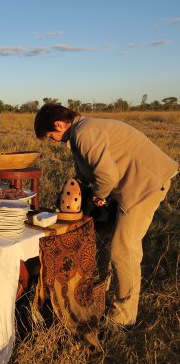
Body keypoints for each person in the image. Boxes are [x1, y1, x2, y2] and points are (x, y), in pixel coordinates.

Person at [34, 103, 178, 329]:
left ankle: (124, 316)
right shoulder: (80, 133)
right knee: (113, 242)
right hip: (135, 184)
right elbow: (86, 172)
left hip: (146, 185)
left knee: (124, 250)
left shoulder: (85, 134)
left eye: (50, 135)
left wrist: (100, 196)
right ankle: (104, 291)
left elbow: (107, 177)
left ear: (58, 124)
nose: (51, 140)